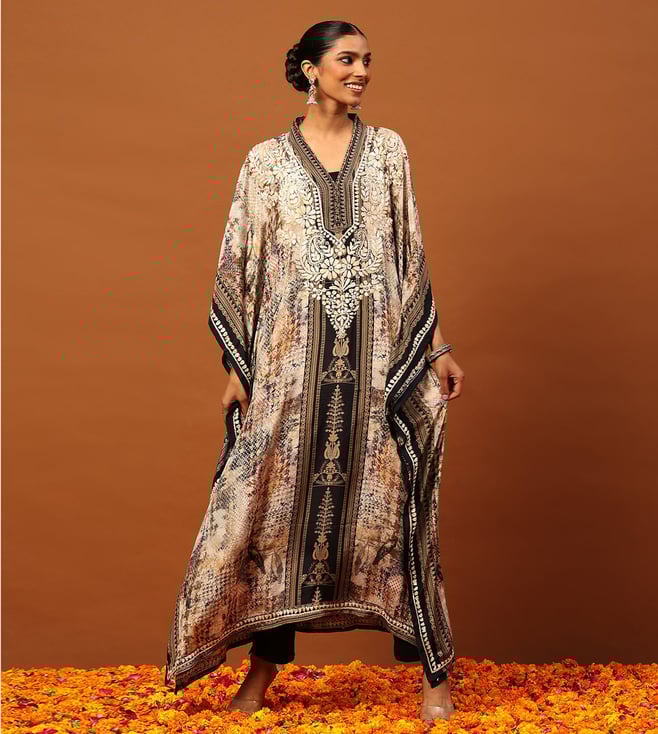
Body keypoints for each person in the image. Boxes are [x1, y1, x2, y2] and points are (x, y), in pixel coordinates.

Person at [164, 20, 465, 723]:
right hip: (290, 370)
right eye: (346, 59)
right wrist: (238, 367)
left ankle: (434, 678)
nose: (361, 72)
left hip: (379, 369)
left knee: (396, 512)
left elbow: (409, 253)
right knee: (276, 511)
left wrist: (436, 347)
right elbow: (240, 261)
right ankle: (260, 674)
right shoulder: (266, 163)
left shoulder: (388, 151)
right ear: (310, 69)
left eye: (367, 61)